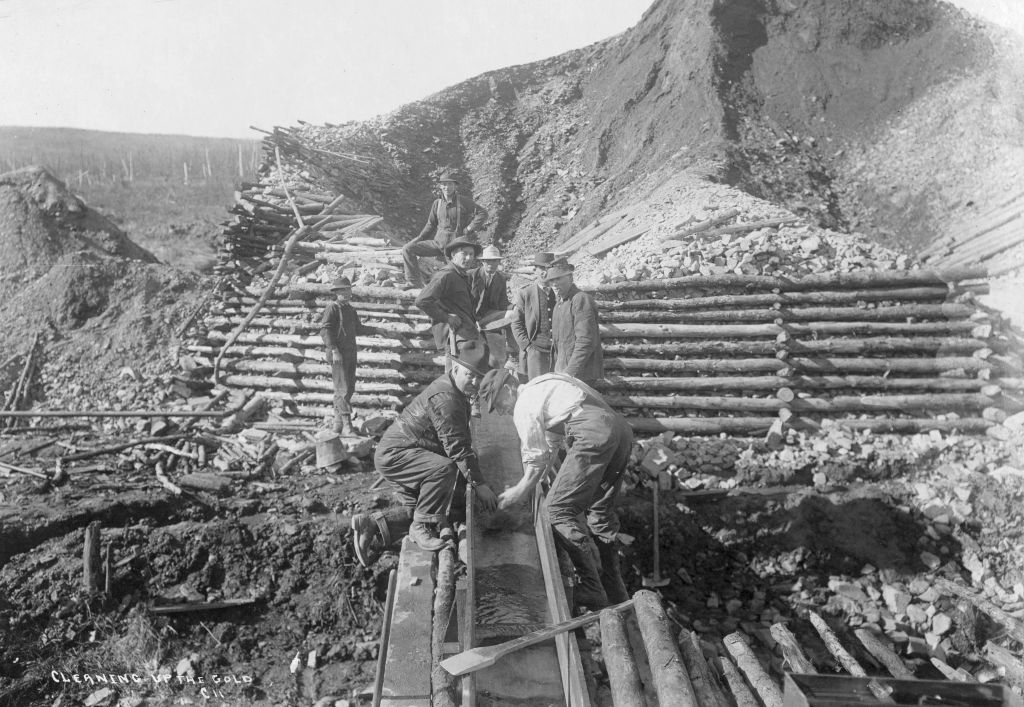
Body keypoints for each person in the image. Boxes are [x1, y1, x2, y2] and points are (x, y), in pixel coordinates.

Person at [478, 368, 631, 609]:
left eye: (498, 403)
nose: (501, 411)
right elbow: (550, 446)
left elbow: (536, 456)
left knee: (556, 511)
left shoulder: (524, 403)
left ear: (508, 389)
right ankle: (617, 592)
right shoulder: (546, 383)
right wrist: (534, 481)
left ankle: (593, 588)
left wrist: (520, 490)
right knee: (600, 515)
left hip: (593, 432)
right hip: (619, 429)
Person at [351, 341, 499, 566]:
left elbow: (458, 438)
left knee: (429, 507)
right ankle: (419, 528)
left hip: (408, 450)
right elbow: (457, 448)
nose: (475, 382)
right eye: (471, 375)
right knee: (443, 470)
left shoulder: (455, 390)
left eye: (480, 377)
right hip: (398, 454)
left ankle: (371, 525)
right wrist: (480, 484)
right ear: (456, 368)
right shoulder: (447, 398)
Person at [402, 170, 488, 288]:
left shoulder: (463, 202)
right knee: (408, 249)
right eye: (444, 184)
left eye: (450, 184)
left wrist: (469, 228)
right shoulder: (437, 204)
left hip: (455, 246)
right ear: (440, 186)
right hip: (438, 243)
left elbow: (482, 213)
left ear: (455, 186)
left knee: (457, 276)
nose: (447, 187)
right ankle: (413, 282)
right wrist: (419, 239)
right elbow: (431, 224)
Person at [319, 275, 370, 436]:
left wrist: (378, 330)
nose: (347, 293)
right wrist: (333, 350)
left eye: (348, 289)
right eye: (343, 290)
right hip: (337, 354)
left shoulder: (350, 309)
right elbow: (325, 330)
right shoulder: (332, 308)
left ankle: (337, 423)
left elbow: (359, 329)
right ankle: (347, 426)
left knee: (348, 388)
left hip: (350, 353)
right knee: (342, 389)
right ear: (337, 292)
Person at [546, 259, 604, 386]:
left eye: (558, 279)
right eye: (551, 280)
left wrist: (570, 373)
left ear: (570, 278)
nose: (554, 284)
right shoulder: (559, 304)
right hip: (564, 372)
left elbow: (586, 341)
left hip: (580, 374)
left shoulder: (580, 299)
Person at [510, 251, 556, 380]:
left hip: (557, 352)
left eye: (549, 268)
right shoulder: (526, 294)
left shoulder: (558, 293)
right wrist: (528, 347)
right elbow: (516, 323)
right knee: (536, 389)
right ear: (535, 270)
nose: (545, 272)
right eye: (542, 268)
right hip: (536, 353)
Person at [474, 244, 515, 369]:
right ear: (482, 262)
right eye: (488, 261)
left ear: (499, 262)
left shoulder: (500, 278)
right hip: (471, 317)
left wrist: (513, 306)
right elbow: (464, 302)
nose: (491, 264)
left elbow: (503, 302)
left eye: (494, 261)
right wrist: (472, 320)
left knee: (514, 315)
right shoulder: (471, 276)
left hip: (490, 316)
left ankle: (514, 353)